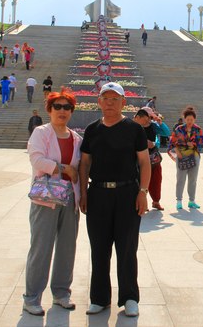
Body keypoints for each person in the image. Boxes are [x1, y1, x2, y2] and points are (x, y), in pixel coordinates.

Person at [78, 82, 150, 318]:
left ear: (123, 102)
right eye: (105, 98)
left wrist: (143, 192)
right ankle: (99, 298)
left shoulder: (134, 129)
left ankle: (129, 298)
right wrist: (84, 193)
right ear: (99, 101)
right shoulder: (92, 130)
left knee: (127, 248)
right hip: (98, 193)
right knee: (99, 248)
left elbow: (144, 162)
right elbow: (85, 163)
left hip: (127, 193)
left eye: (115, 99)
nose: (109, 103)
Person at [22, 90, 82, 316]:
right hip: (46, 198)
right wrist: (64, 168)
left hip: (69, 198)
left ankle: (61, 293)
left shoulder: (76, 138)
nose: (62, 111)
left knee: (67, 247)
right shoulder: (41, 132)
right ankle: (32, 298)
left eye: (67, 107)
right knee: (41, 247)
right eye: (57, 106)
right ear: (49, 109)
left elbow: (80, 169)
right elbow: (36, 159)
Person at [168, 106, 203, 210]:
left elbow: (201, 142)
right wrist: (177, 152)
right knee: (180, 179)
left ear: (194, 119)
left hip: (194, 156)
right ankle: (179, 201)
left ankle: (191, 201)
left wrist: (193, 145)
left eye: (191, 120)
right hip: (181, 155)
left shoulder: (198, 129)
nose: (189, 122)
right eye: (188, 119)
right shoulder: (179, 129)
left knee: (193, 179)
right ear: (184, 119)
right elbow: (172, 142)